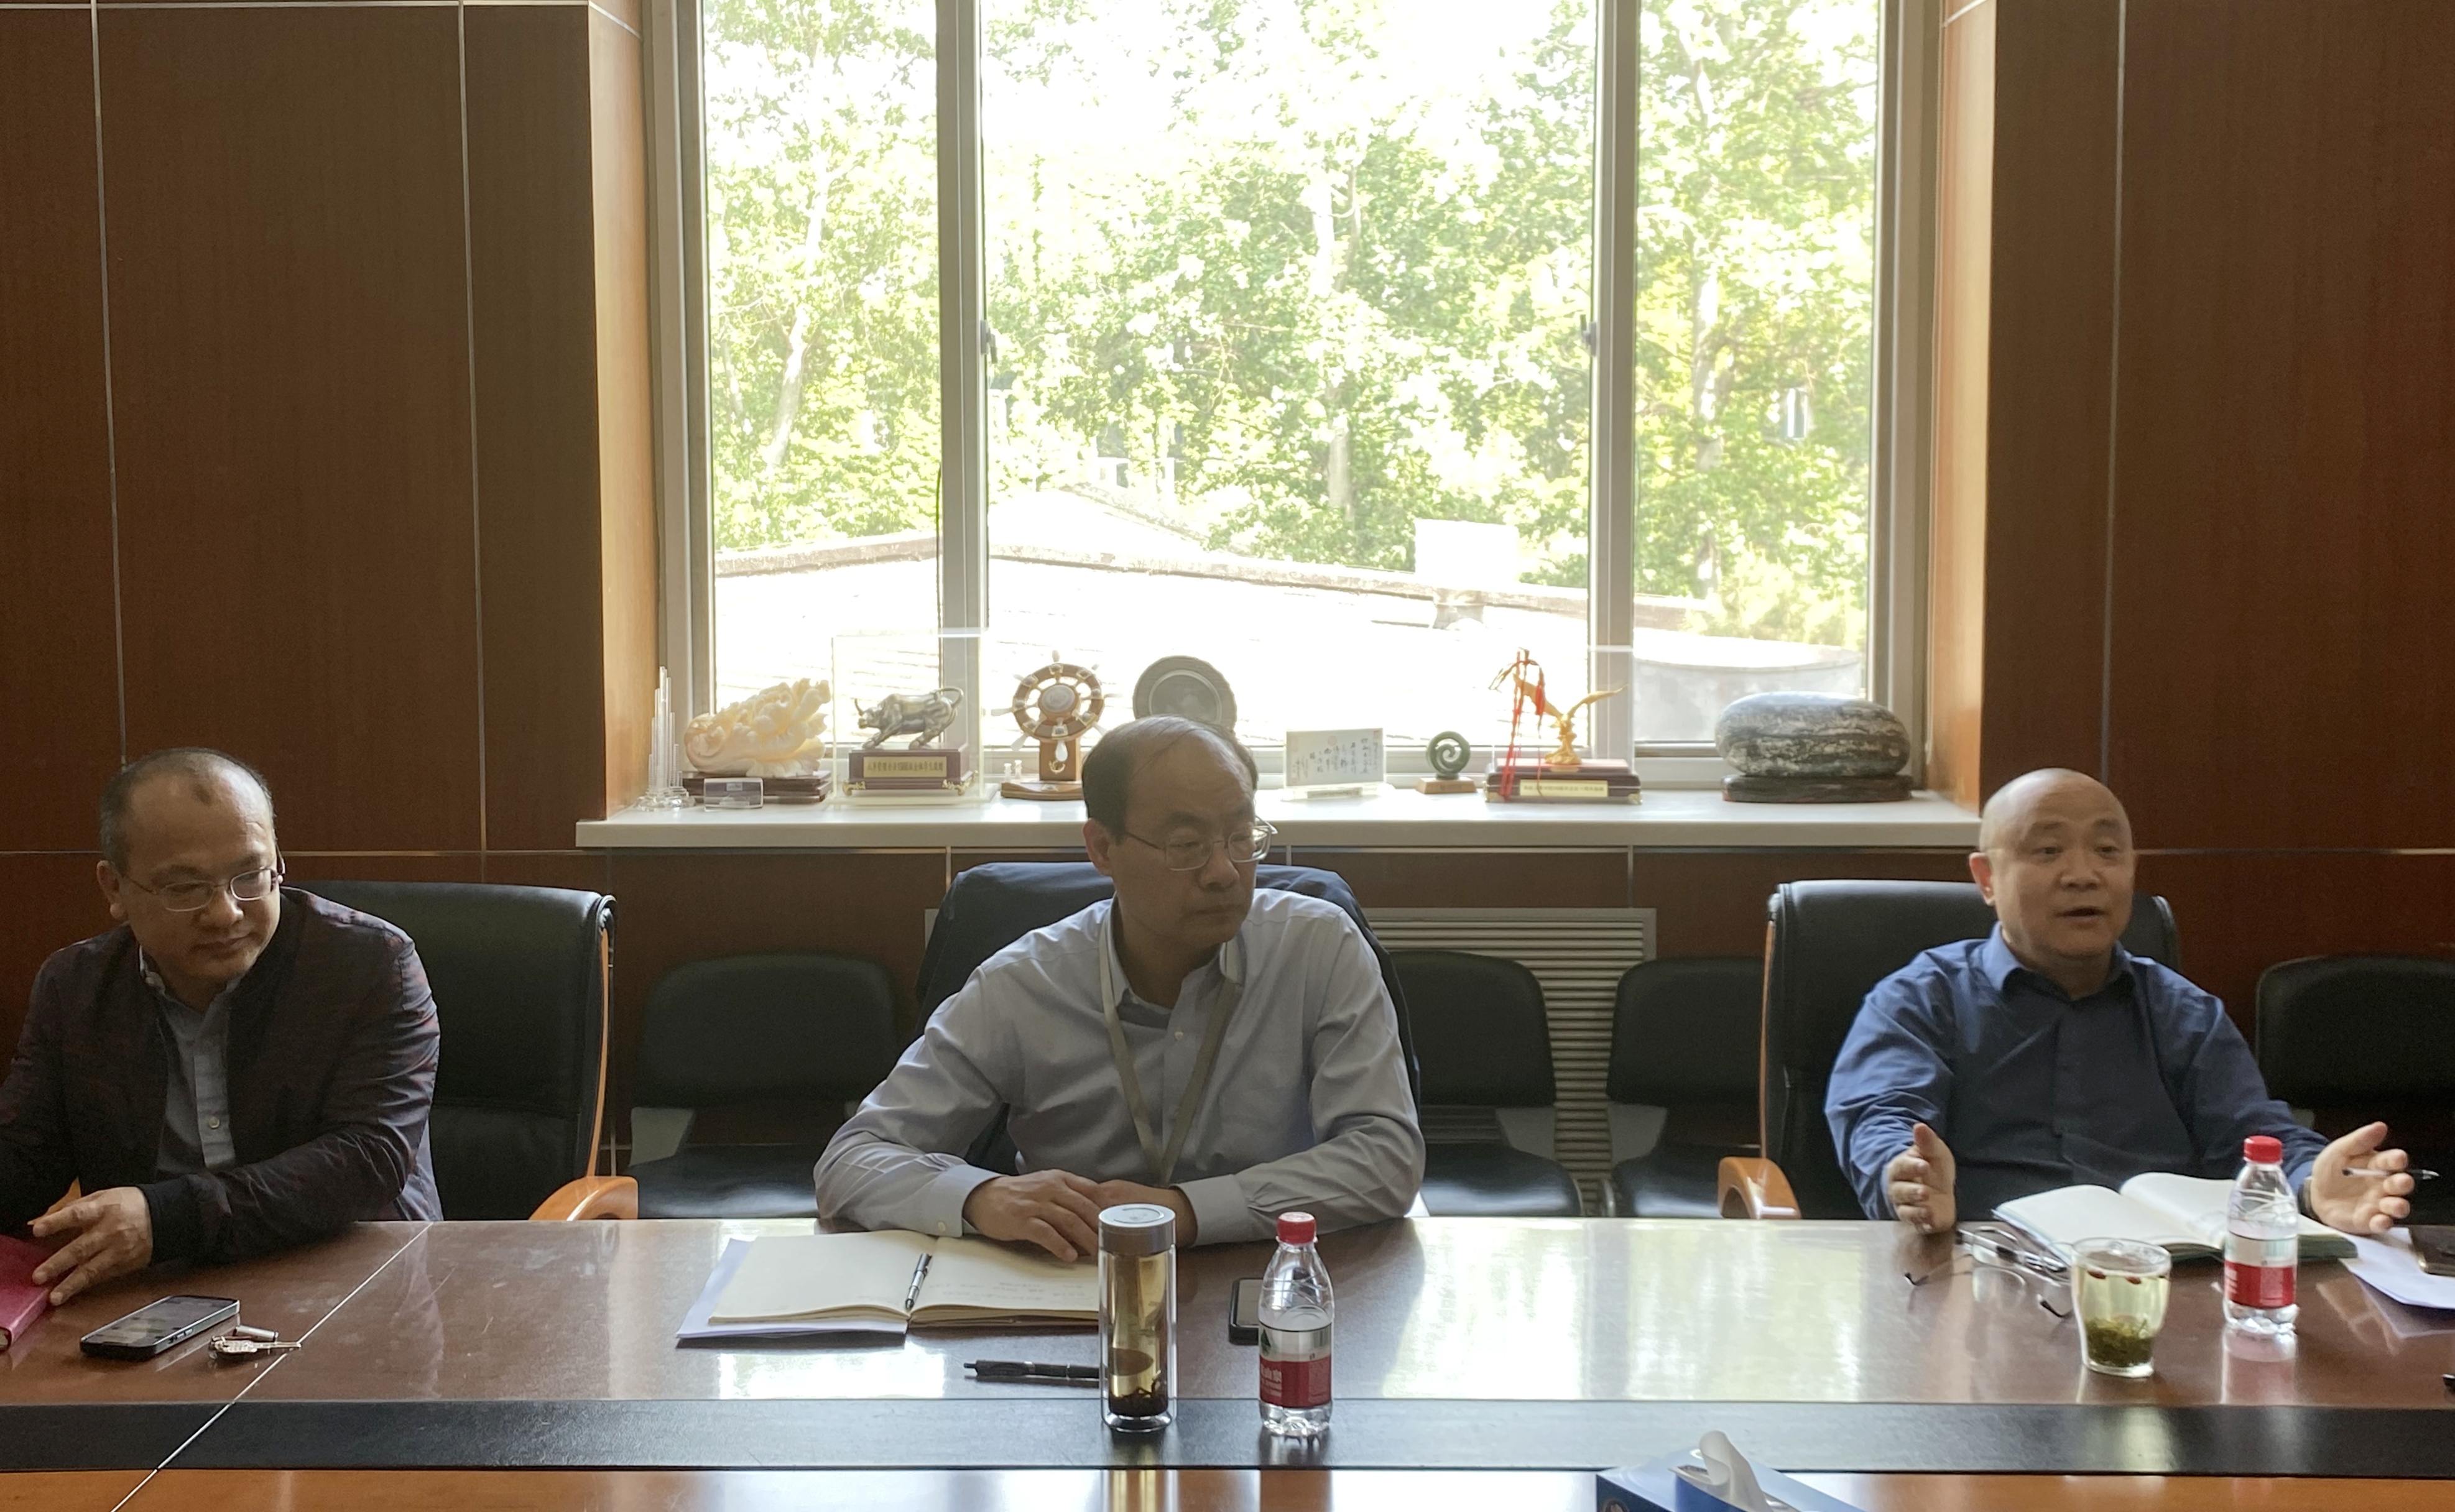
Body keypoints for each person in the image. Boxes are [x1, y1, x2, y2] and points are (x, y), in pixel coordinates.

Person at [816, 717, 1423, 1257]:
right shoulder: (1023, 984)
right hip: (1074, 1285)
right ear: (1103, 848)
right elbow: (852, 1160)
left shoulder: (1318, 948)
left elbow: (1387, 1157)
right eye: (1187, 846)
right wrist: (981, 1197)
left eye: (1242, 838)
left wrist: (1185, 1212)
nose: (1223, 872)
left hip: (1272, 1275)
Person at [1826, 768, 2412, 1236]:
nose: (2083, 874)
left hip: (2156, 1285)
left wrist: (2310, 1183)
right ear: (1986, 879)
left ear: (2132, 870)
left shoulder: (2185, 1015)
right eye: (2048, 851)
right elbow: (1884, 1120)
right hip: (1981, 1272)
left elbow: (2254, 1138)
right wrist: (1907, 1177)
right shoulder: (1923, 998)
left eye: (2107, 851)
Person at [0, 749, 442, 1304]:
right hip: (151, 1299)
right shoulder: (76, 987)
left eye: (250, 876)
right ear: (114, 889)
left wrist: (169, 1218)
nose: (226, 913)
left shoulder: (370, 965)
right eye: (185, 888)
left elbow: (369, 1159)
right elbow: (26, 1159)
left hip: (356, 1283)